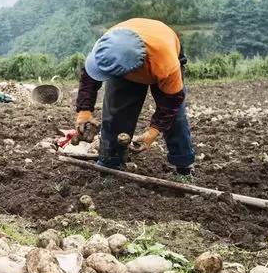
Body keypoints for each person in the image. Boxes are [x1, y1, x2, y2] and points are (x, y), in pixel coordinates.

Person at [74, 18, 195, 176]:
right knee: (115, 113)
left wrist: (153, 132)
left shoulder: (165, 64)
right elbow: (90, 76)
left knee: (175, 118)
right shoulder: (106, 46)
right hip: (128, 49)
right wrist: (84, 111)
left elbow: (171, 102)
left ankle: (183, 168)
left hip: (161, 50)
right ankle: (110, 163)